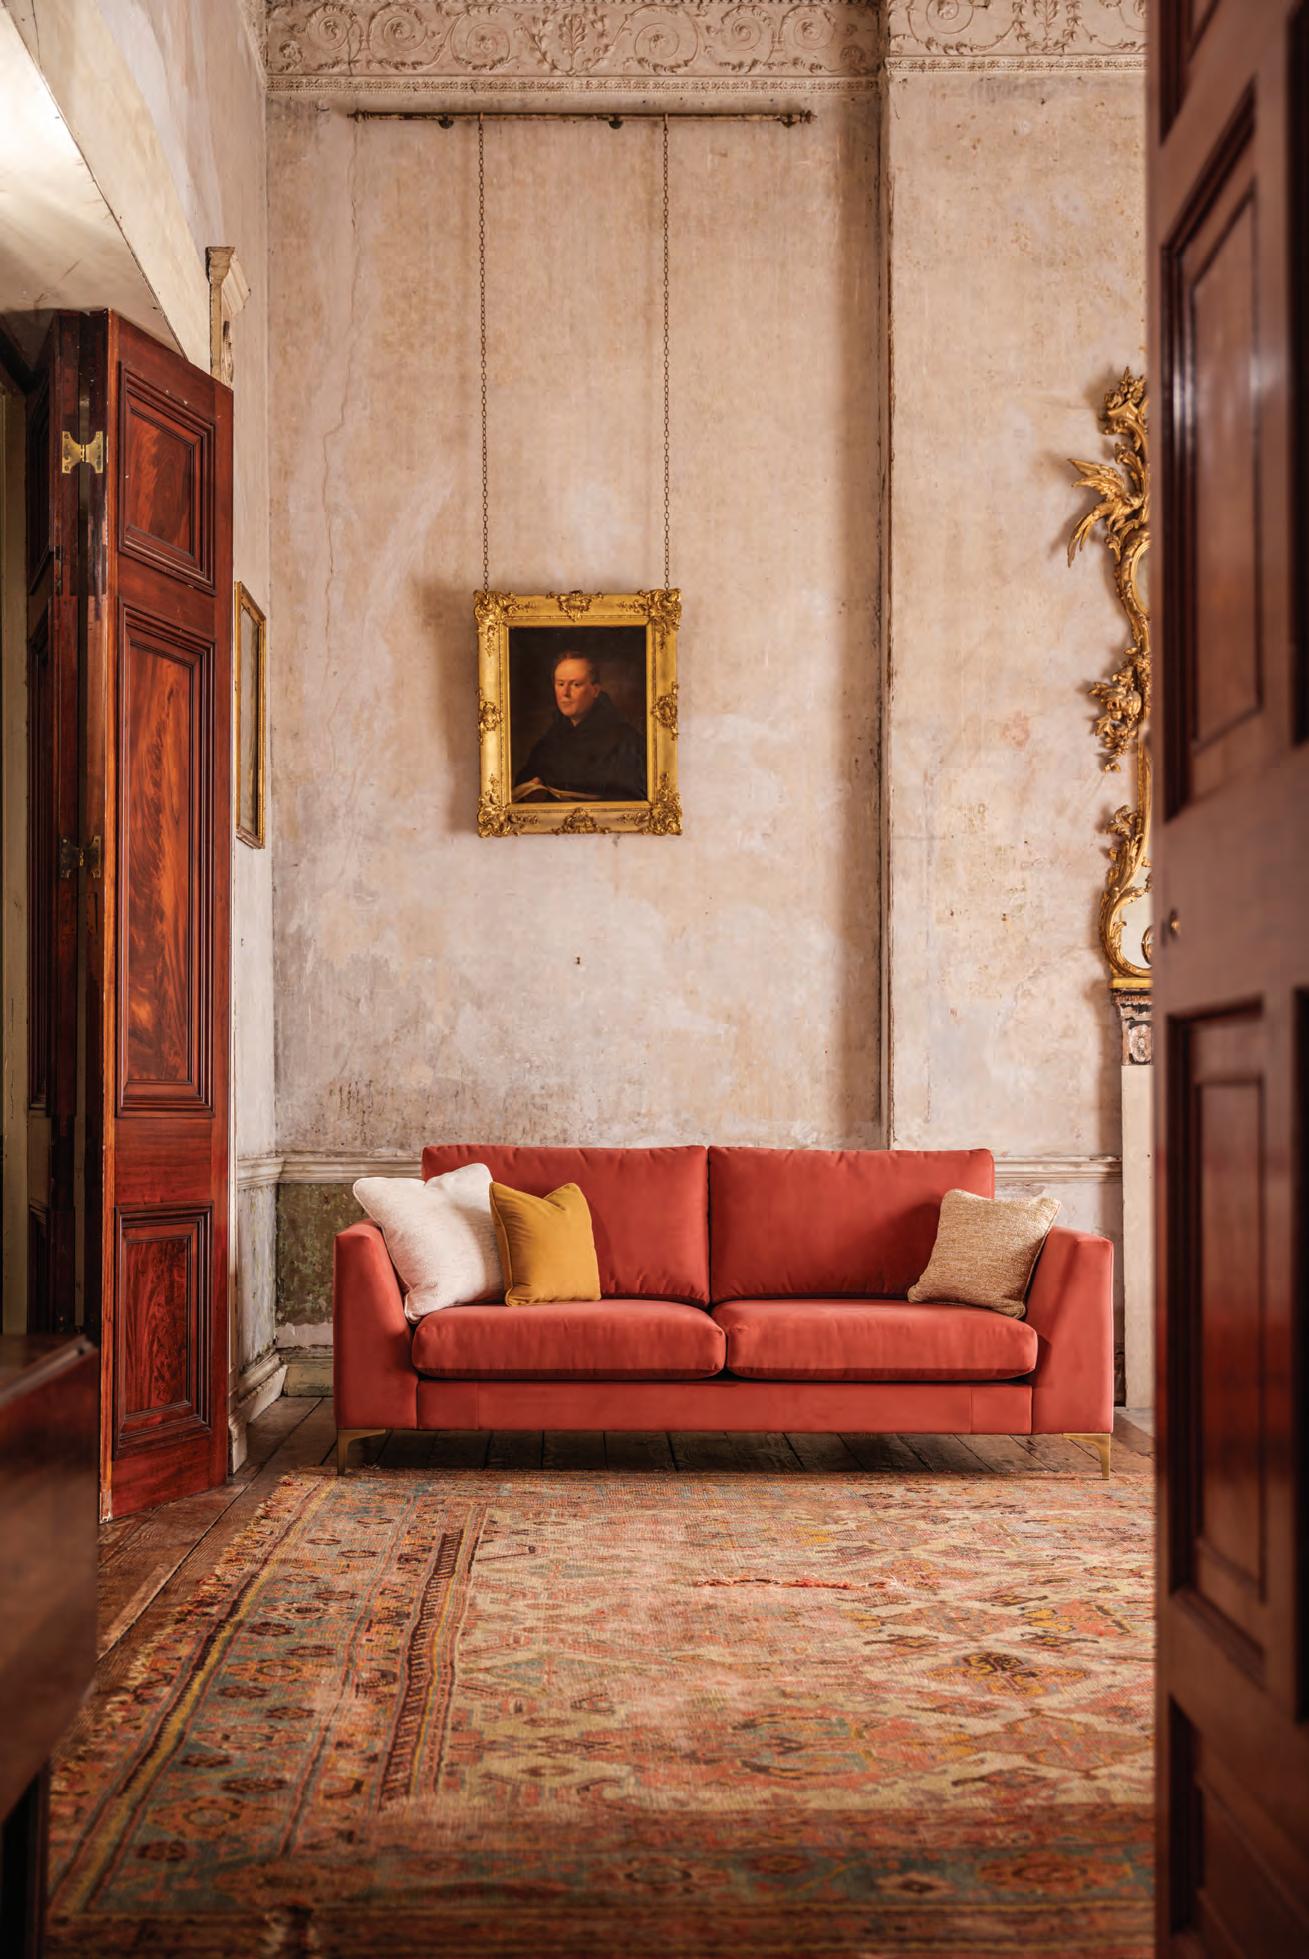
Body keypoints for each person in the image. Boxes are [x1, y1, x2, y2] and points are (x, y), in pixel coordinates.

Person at [513, 650, 647, 802]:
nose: (565, 693)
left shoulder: (625, 740)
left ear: (595, 690)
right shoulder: (551, 738)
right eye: (560, 684)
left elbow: (632, 800)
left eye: (576, 685)